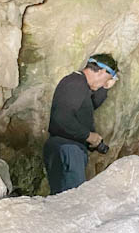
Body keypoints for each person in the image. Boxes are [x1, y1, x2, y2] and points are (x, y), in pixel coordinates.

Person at [43, 54, 118, 194]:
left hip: (68, 149)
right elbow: (61, 119)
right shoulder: (75, 83)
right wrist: (88, 136)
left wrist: (105, 88)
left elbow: (88, 107)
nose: (103, 84)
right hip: (67, 149)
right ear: (101, 71)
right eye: (106, 80)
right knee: (71, 202)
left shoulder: (79, 84)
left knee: (65, 199)